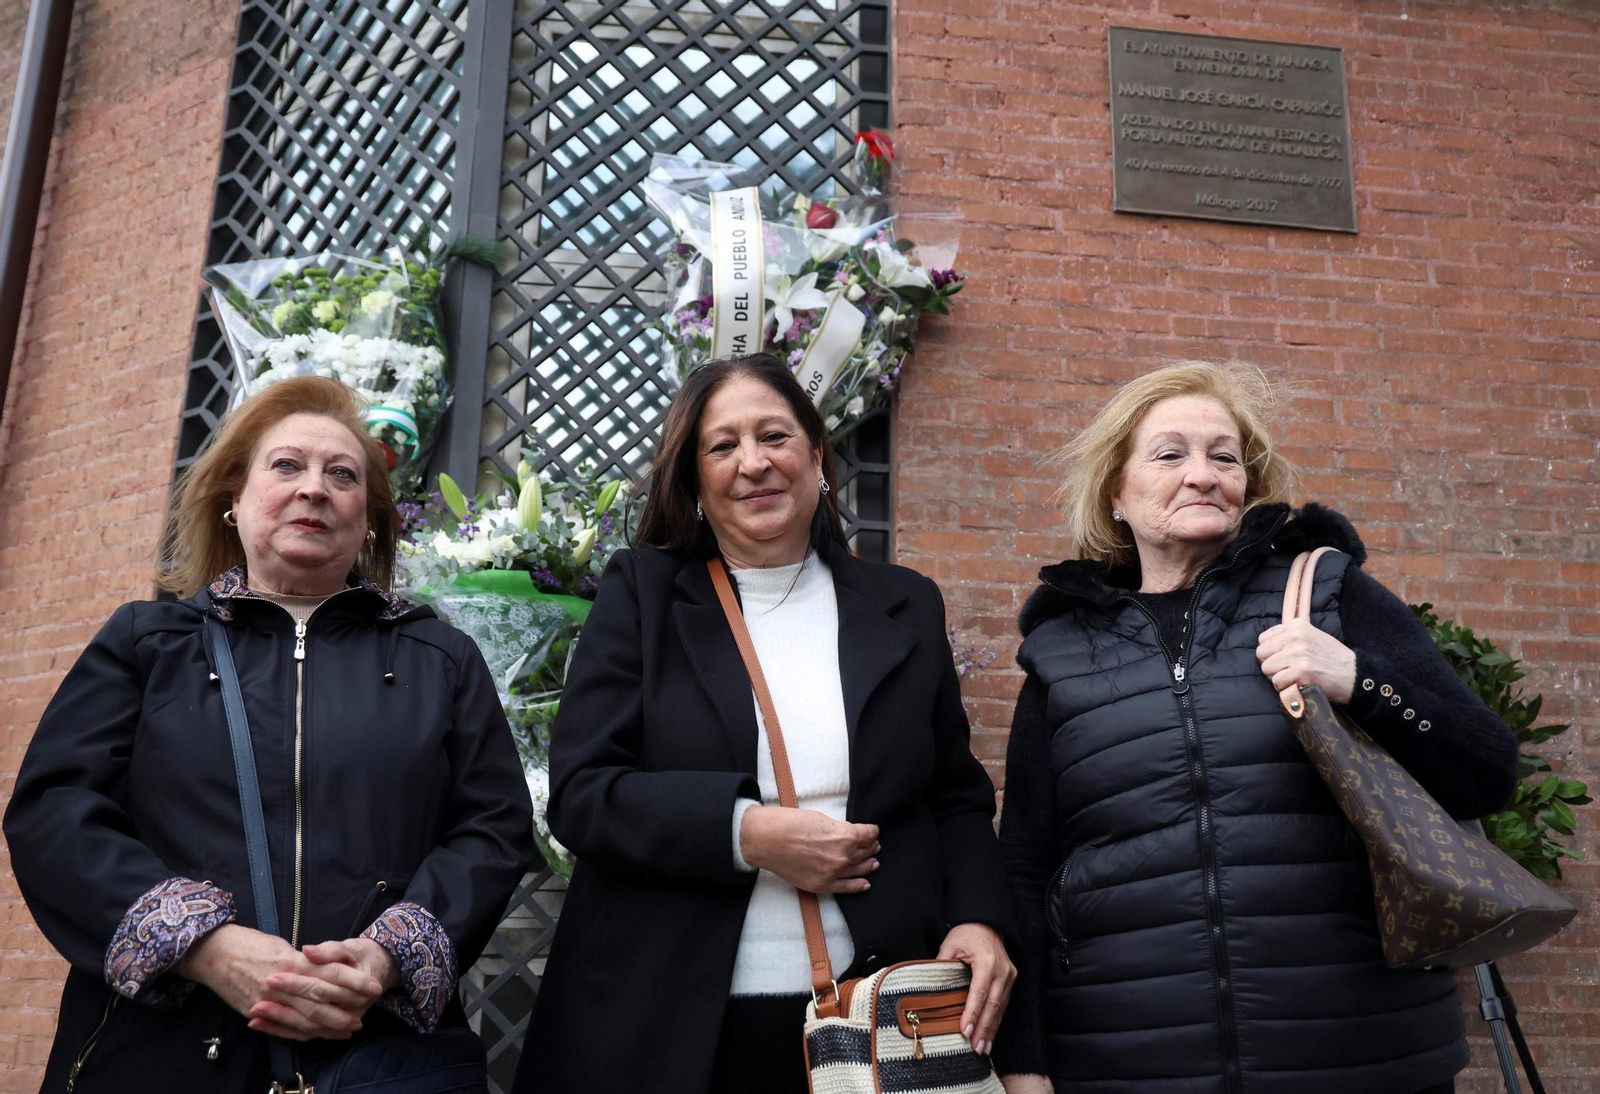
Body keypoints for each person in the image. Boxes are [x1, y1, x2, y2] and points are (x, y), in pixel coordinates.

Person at [992, 361, 1520, 1094]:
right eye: (1170, 454)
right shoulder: (1060, 654)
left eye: (1225, 456)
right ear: (1116, 490)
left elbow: (1487, 770)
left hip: (1362, 1058)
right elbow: (1023, 867)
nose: (1203, 474)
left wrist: (1358, 681)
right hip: (1129, 1065)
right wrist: (1024, 1064)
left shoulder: (1328, 591)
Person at [4, 376, 535, 1091]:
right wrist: (201, 945)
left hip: (370, 1053)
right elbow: (54, 814)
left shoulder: (440, 659)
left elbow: (493, 828)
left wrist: (387, 956)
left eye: (341, 475)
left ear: (368, 518)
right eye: (286, 466)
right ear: (234, 498)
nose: (314, 488)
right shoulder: (147, 643)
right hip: (158, 1054)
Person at [514, 353, 1018, 1094]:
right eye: (723, 446)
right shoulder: (644, 594)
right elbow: (584, 793)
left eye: (775, 436)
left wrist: (979, 918)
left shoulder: (905, 602)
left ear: (816, 456)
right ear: (693, 480)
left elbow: (955, 793)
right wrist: (747, 834)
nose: (753, 463)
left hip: (876, 1022)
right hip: (662, 1020)